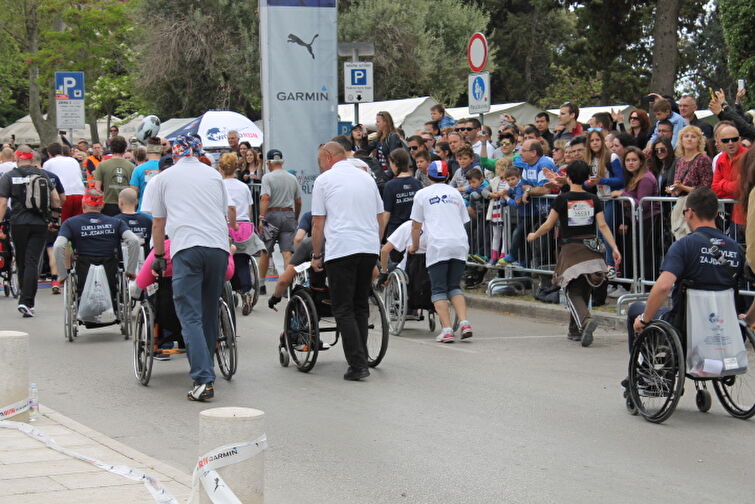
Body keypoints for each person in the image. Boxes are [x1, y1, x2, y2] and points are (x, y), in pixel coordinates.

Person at [625, 188, 743, 388]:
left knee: (635, 310)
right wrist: (746, 318)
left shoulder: (685, 245)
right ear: (716, 213)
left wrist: (645, 319)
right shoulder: (735, 248)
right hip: (723, 324)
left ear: (690, 212)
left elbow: (663, 287)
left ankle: (646, 375)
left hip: (685, 324)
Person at [149, 135, 232, 402]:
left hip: (187, 246)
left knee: (190, 315)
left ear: (174, 154)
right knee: (208, 313)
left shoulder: (163, 178)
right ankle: (206, 367)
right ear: (198, 152)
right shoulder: (213, 175)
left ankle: (203, 378)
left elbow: (158, 223)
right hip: (217, 246)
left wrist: (159, 254)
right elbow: (223, 212)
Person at [311, 141, 384, 381]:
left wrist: (316, 254)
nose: (319, 166)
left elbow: (318, 223)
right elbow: (380, 216)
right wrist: (376, 243)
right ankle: (360, 357)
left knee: (343, 308)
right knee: (360, 305)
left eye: (320, 161)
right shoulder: (366, 178)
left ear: (329, 157)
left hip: (342, 247)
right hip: (367, 247)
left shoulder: (324, 181)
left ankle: (357, 364)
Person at [527, 160, 621, 346]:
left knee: (570, 290)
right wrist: (615, 247)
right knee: (583, 288)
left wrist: (533, 235)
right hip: (592, 247)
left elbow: (549, 224)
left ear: (568, 177)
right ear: (587, 177)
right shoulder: (593, 199)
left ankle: (585, 321)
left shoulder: (562, 199)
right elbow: (602, 225)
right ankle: (575, 330)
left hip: (571, 248)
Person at [409, 160, 473, 343]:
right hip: (459, 242)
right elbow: (463, 220)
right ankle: (465, 322)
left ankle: (446, 329)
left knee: (438, 289)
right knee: (454, 286)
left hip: (438, 244)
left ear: (428, 176)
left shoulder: (422, 194)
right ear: (447, 176)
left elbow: (416, 226)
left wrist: (414, 246)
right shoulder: (455, 193)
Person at [53, 188, 140, 315]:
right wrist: (131, 270)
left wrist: (62, 274)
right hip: (110, 266)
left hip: (83, 266)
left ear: (83, 204)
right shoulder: (116, 222)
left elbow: (58, 246)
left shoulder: (71, 223)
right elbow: (134, 241)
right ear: (102, 205)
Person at [0, 147, 61, 317]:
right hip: (39, 222)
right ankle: (28, 301)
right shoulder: (42, 174)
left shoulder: (9, 176)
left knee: (21, 260)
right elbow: (56, 198)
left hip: (18, 223)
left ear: (16, 157)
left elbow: (3, 203)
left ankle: (23, 296)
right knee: (33, 260)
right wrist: (55, 218)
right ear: (32, 158)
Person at [219, 153, 260, 315]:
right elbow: (249, 210)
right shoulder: (243, 187)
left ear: (221, 169)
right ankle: (245, 290)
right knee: (243, 260)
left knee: (227, 259)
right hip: (244, 225)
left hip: (227, 225)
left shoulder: (220, 186)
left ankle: (229, 288)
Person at [257, 149, 302, 296]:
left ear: (269, 163)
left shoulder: (267, 178)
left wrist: (261, 218)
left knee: (266, 251)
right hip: (288, 213)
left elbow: (265, 198)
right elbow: (298, 201)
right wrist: (295, 216)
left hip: (272, 215)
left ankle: (261, 284)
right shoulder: (292, 178)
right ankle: (288, 284)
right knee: (287, 252)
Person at [711, 123, 748, 242]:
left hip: (748, 214)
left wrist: (723, 183)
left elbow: (741, 187)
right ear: (719, 143)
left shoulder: (748, 157)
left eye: (734, 139)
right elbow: (715, 188)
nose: (730, 143)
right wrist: (730, 186)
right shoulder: (721, 159)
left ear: (740, 140)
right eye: (726, 140)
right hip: (735, 217)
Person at [382, 148, 422, 239]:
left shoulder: (390, 185)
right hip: (414, 231)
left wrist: (380, 235)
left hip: (396, 233)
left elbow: (386, 213)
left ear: (395, 164)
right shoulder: (417, 183)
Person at [666, 125, 712, 197]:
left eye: (693, 137)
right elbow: (678, 188)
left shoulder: (703, 159)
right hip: (681, 202)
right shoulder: (679, 161)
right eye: (686, 136)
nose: (689, 139)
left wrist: (682, 187)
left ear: (699, 141)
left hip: (697, 203)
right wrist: (674, 189)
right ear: (681, 140)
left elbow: (705, 188)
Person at [43, 142, 85, 221]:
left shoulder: (48, 163)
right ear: (61, 151)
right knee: (77, 222)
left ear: (49, 153)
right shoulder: (73, 160)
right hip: (79, 194)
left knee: (64, 223)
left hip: (63, 196)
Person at [95, 136, 135, 216]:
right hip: (127, 205)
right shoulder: (132, 167)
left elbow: (97, 189)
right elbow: (133, 189)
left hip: (107, 204)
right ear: (125, 148)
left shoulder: (102, 165)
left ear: (111, 148)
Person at [114, 188, 152, 257]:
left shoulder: (114, 221)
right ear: (136, 202)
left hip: (121, 261)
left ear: (120, 202)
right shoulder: (147, 221)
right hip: (143, 261)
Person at [129, 137, 162, 210]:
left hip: (144, 211)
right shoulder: (168, 168)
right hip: (164, 213)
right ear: (160, 150)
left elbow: (132, 194)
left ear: (147, 151)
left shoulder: (138, 169)